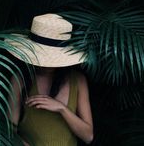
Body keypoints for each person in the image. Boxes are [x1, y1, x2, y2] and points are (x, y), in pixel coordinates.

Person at [7, 13, 93, 146]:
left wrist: (61, 109)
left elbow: (88, 136)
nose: (48, 64)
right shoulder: (21, 78)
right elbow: (10, 130)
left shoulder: (78, 80)